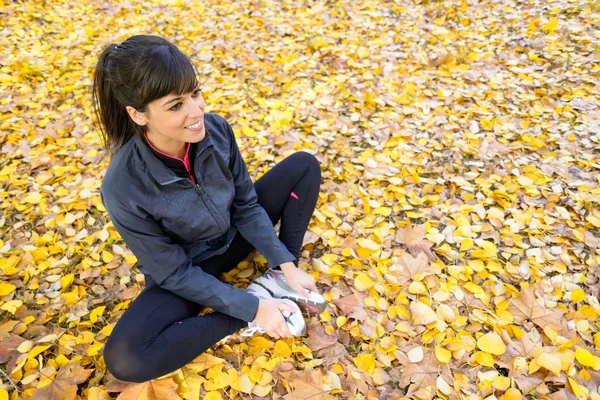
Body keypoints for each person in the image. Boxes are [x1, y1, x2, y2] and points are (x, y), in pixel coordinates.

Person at [92, 35, 325, 383]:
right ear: (138, 114)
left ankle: (278, 281)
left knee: (304, 165)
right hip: (188, 271)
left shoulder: (215, 130)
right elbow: (172, 274)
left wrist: (286, 263)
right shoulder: (123, 186)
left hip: (233, 236)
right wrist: (252, 308)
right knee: (126, 360)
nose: (196, 112)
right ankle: (258, 302)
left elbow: (246, 205)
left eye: (195, 94)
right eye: (175, 106)